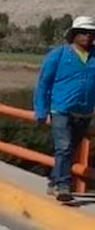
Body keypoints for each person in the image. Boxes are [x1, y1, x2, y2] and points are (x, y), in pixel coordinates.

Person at [34, 16, 95, 203]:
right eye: (83, 32)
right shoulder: (58, 55)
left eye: (91, 33)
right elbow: (43, 83)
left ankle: (54, 181)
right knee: (64, 146)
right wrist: (41, 110)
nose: (87, 36)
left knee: (70, 150)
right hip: (61, 109)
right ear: (73, 35)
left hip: (84, 112)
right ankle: (63, 186)